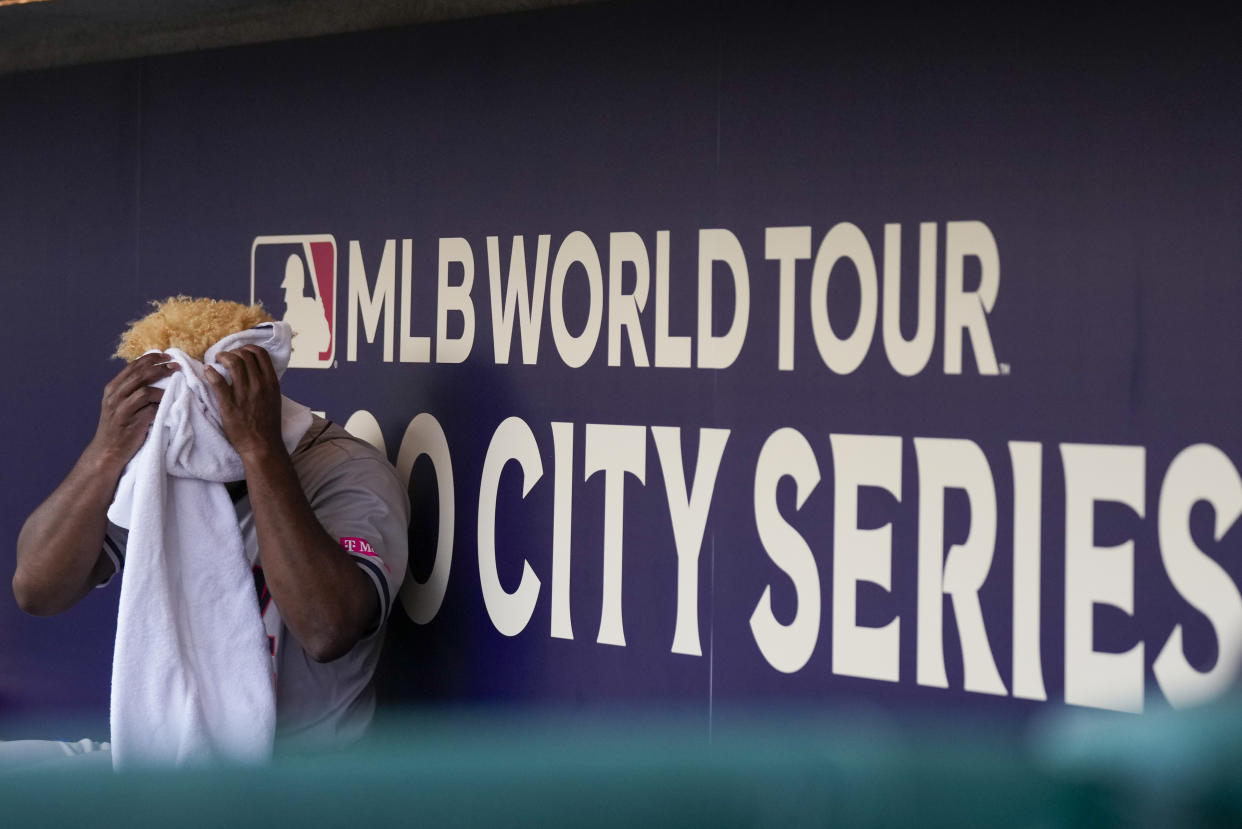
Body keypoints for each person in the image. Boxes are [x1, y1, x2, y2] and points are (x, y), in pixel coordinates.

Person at [11, 297, 409, 763]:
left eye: (197, 399)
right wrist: (106, 453)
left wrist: (259, 450)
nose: (182, 420)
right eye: (168, 402)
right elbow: (37, 591)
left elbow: (327, 630)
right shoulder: (164, 458)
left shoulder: (346, 469)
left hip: (294, 782)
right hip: (171, 756)